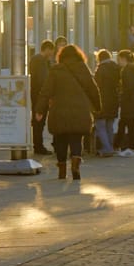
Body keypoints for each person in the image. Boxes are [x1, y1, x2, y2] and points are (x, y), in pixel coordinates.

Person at [45, 44, 100, 180]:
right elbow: (93, 88)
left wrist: (39, 110)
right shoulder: (83, 68)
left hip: (59, 110)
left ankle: (62, 170)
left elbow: (46, 91)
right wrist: (98, 106)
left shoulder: (56, 70)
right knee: (76, 138)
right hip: (79, 109)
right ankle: (75, 164)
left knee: (60, 139)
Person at [29, 40, 57, 159]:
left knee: (39, 121)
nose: (52, 53)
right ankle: (38, 146)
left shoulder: (41, 61)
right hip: (39, 96)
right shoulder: (39, 61)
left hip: (38, 95)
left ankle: (38, 145)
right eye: (51, 51)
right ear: (47, 49)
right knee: (39, 121)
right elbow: (42, 79)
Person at [93, 48, 122, 157]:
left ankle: (107, 148)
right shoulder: (116, 68)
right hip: (113, 100)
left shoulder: (100, 70)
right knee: (109, 126)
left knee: (100, 125)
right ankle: (110, 146)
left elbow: (96, 87)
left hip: (102, 101)